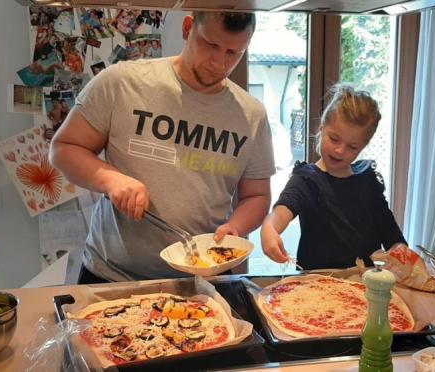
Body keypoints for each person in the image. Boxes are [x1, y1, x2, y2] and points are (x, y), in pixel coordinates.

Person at [50, 11, 275, 283]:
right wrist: (111, 180)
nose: (219, 63)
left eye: (233, 53)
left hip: (203, 277)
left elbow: (256, 196)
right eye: (210, 45)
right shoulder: (122, 82)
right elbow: (64, 148)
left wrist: (235, 228)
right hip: (111, 276)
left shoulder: (251, 115)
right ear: (188, 27)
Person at [260, 84, 407, 270]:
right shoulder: (306, 180)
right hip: (318, 282)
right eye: (334, 139)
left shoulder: (368, 181)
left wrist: (400, 251)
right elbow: (280, 214)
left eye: (352, 147)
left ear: (363, 146)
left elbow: (392, 234)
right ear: (322, 129)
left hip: (366, 282)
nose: (340, 150)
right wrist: (269, 229)